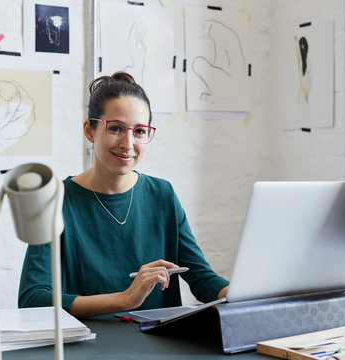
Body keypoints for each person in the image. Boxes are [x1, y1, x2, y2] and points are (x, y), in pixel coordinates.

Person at [18, 71, 229, 319]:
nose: (128, 143)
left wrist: (247, 294)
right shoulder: (56, 201)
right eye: (116, 128)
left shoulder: (162, 195)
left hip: (160, 346)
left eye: (139, 131)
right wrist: (126, 298)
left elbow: (202, 279)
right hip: (89, 347)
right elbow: (33, 300)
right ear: (89, 131)